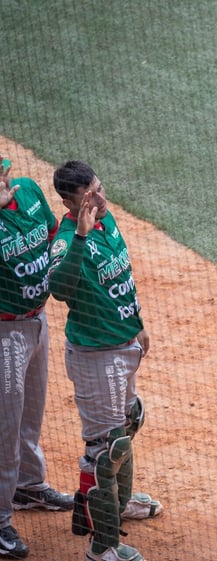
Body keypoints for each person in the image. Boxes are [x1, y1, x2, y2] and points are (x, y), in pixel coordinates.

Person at [48, 161, 163, 561]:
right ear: (68, 201)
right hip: (96, 356)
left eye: (99, 187)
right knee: (105, 448)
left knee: (128, 422)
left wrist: (138, 323)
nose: (99, 197)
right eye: (88, 195)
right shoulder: (67, 238)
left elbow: (122, 278)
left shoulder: (108, 219)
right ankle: (102, 546)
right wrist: (79, 236)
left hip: (124, 343)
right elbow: (60, 289)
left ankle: (117, 504)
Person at [0, 157, 72, 560]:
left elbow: (52, 236)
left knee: (30, 415)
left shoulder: (28, 191)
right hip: (5, 333)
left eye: (3, 171)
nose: (5, 179)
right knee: (4, 430)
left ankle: (28, 485)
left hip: (38, 320)